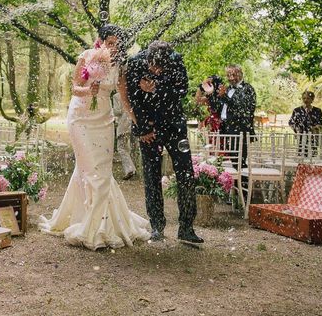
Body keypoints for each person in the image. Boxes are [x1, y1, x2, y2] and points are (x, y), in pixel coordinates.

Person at [39, 25, 150, 250]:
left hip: (104, 120)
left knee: (99, 170)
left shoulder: (119, 67)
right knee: (90, 170)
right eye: (110, 42)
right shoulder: (86, 57)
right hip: (80, 119)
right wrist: (90, 90)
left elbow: (123, 97)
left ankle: (95, 219)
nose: (113, 47)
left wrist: (137, 119)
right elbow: (75, 87)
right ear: (100, 41)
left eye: (118, 45)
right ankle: (93, 227)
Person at [122, 41, 203, 245]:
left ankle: (186, 227)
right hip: (148, 129)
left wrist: (157, 86)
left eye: (160, 67)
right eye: (152, 65)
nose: (155, 69)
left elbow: (182, 90)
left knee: (185, 174)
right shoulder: (135, 63)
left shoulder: (177, 62)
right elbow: (131, 99)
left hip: (174, 126)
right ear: (147, 58)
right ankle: (157, 225)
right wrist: (143, 129)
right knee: (151, 176)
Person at [210, 65, 256, 168]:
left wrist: (224, 96)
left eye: (233, 75)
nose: (231, 78)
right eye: (228, 75)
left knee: (240, 160)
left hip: (240, 129)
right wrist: (212, 94)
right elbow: (218, 108)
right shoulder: (228, 89)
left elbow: (241, 108)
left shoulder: (248, 88)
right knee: (233, 160)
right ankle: (235, 183)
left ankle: (243, 183)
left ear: (241, 74)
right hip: (227, 128)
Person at [288, 91, 322, 157]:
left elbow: (321, 122)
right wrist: (297, 129)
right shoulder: (297, 110)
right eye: (304, 98)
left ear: (312, 99)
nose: (306, 100)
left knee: (312, 157)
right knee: (301, 155)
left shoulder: (317, 111)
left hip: (312, 137)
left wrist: (316, 127)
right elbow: (291, 122)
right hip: (301, 136)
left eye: (308, 98)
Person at [111, 91, 136, 180]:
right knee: (127, 148)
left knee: (121, 148)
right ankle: (130, 169)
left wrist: (110, 110)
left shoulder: (117, 96)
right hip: (131, 124)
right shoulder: (130, 93)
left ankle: (130, 169)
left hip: (123, 124)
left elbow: (118, 111)